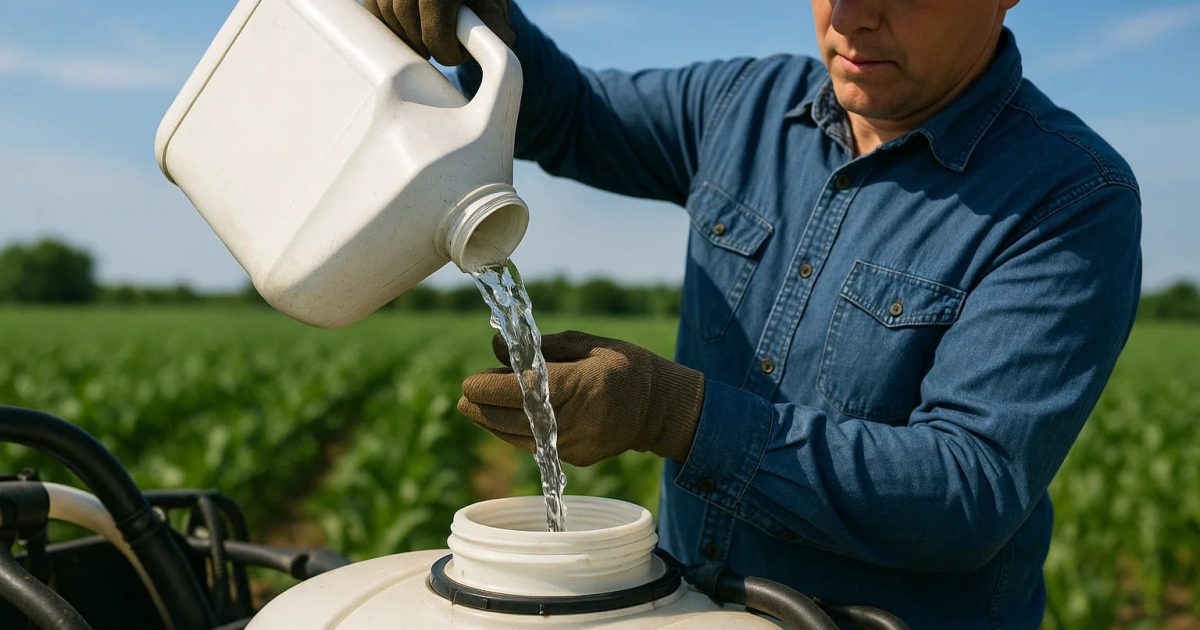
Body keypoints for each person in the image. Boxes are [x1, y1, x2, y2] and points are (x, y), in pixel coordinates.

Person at [364, 1, 1142, 627]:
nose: (850, 17)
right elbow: (569, 112)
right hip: (687, 612)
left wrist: (672, 414)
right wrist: (483, 28)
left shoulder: (1068, 197)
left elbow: (964, 492)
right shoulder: (745, 105)